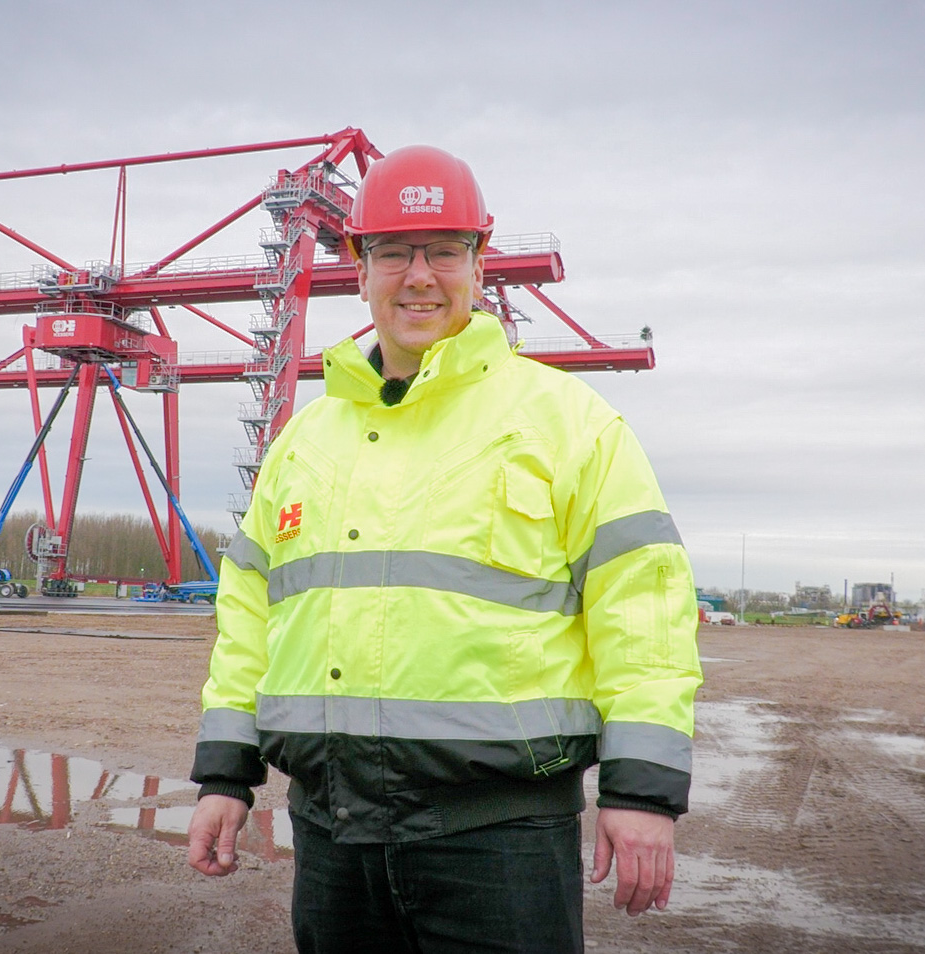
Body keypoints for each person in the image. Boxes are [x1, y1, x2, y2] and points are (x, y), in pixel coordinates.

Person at [186, 144, 701, 952]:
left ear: (478, 262)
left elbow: (645, 613)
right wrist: (226, 775)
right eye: (391, 251)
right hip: (330, 835)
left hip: (498, 843)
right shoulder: (304, 443)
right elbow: (250, 616)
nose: (418, 275)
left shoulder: (568, 423)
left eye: (443, 251)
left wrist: (641, 793)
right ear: (358, 266)